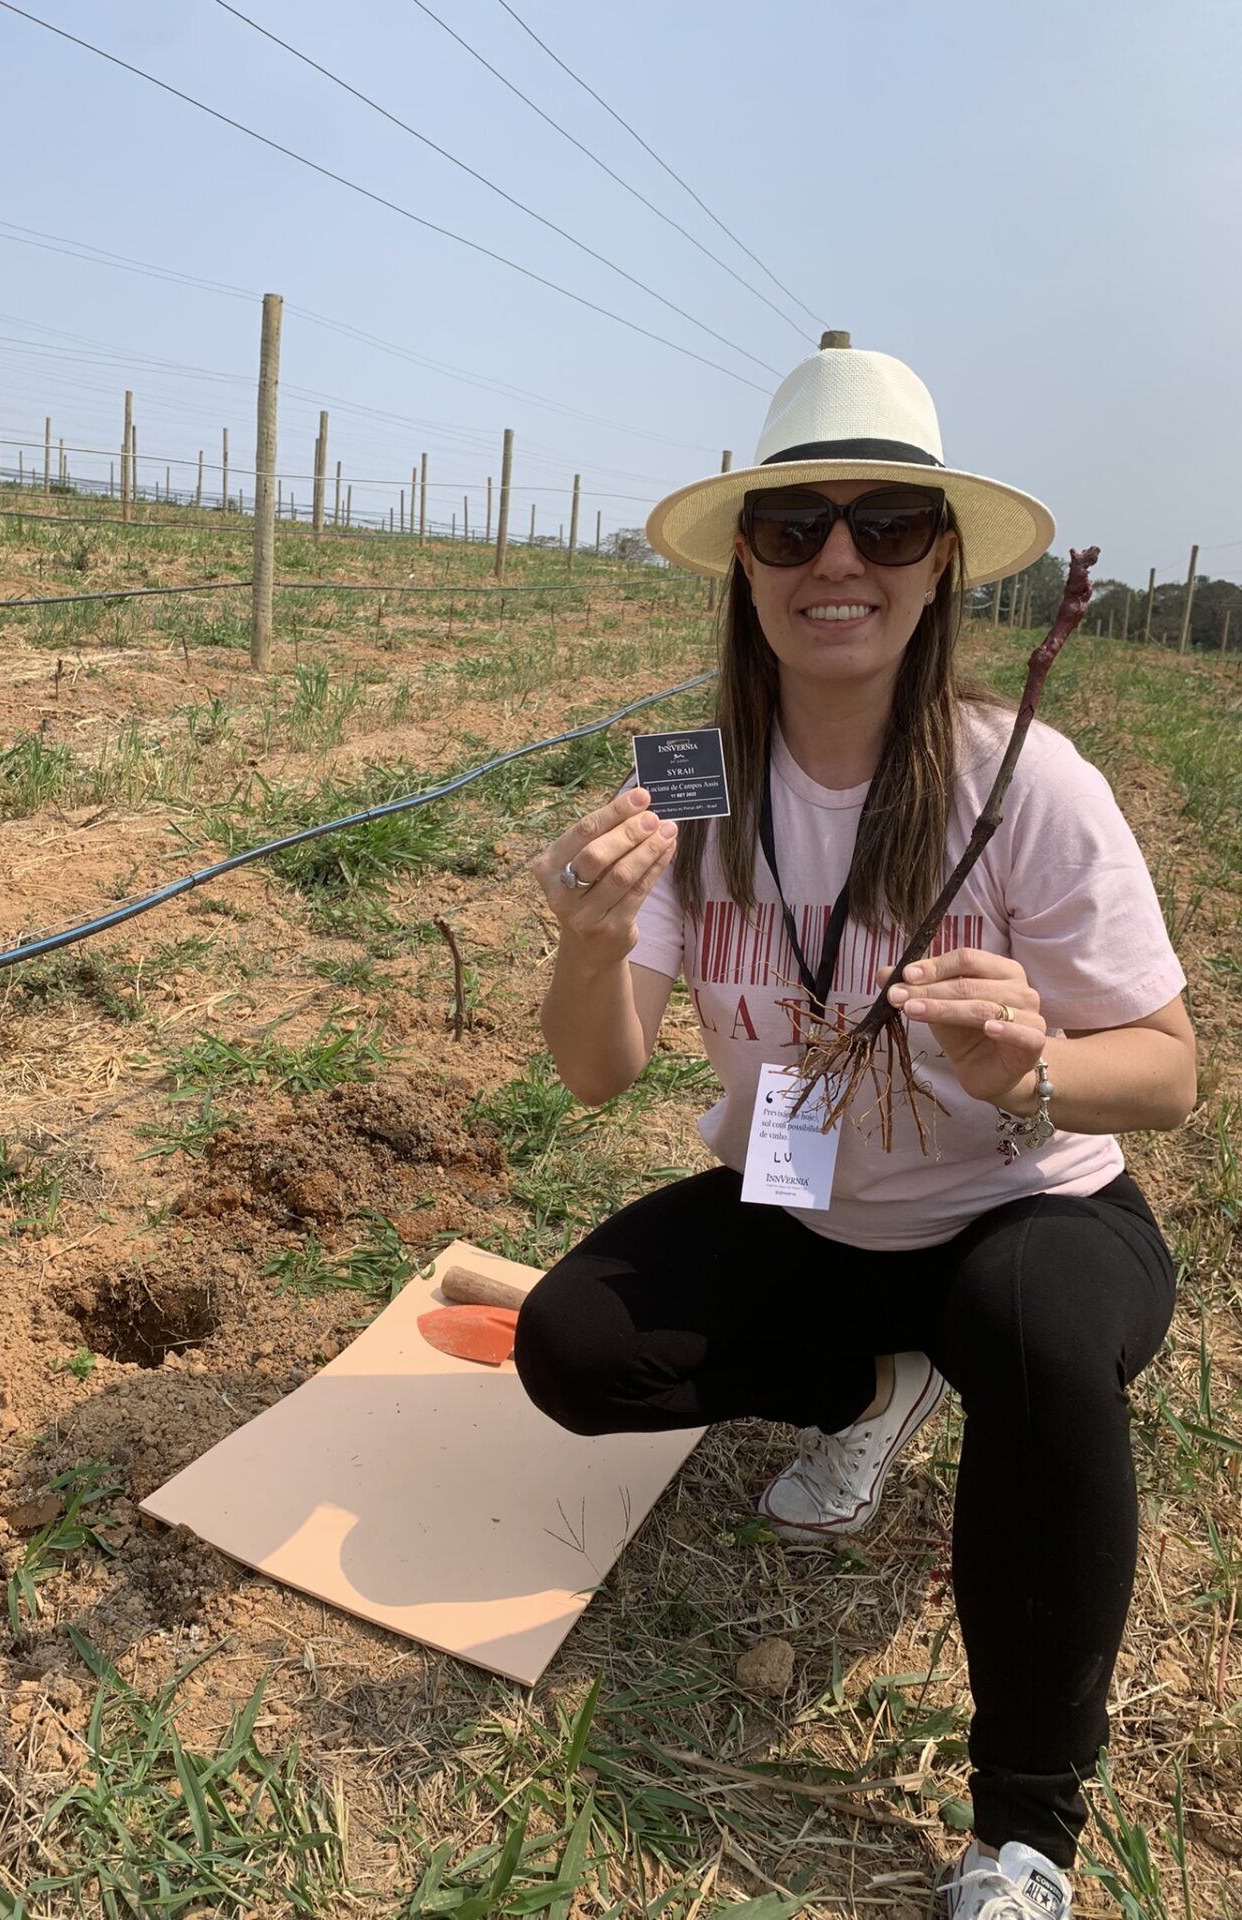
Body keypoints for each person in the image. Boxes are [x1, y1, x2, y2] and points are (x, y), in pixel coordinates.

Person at [516, 338, 1195, 1919]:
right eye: (792, 527)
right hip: (808, 1213)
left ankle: (1025, 1831)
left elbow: (1167, 1073)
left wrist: (1026, 1067)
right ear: (743, 563)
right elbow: (600, 1075)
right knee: (575, 1348)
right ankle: (877, 1385)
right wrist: (588, 945)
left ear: (940, 561)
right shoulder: (688, 781)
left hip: (1027, 1220)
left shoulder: (1023, 783)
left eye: (885, 525)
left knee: (1021, 1324)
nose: (837, 561)